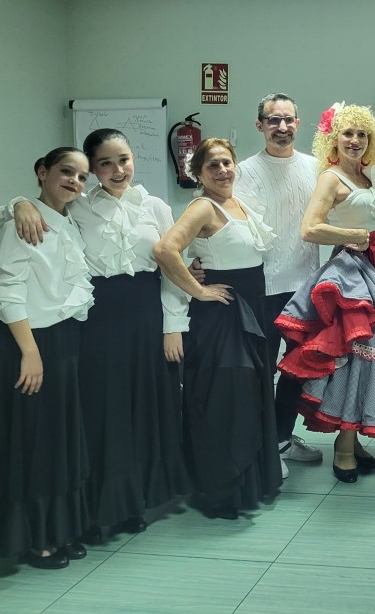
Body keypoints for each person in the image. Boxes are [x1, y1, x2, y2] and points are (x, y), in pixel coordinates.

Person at [0, 129, 190, 540]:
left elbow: (175, 267)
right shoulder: (78, 205)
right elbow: (17, 216)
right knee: (103, 413)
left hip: (148, 318)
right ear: (93, 170)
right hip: (98, 322)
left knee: (144, 408)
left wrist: (173, 326)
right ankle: (101, 508)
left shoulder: (155, 206)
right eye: (105, 163)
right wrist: (18, 203)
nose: (117, 170)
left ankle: (138, 501)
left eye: (124, 159)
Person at [275, 104, 375, 484]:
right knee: (358, 359)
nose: (355, 140)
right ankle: (344, 447)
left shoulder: (367, 176)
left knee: (367, 359)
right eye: (348, 133)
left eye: (363, 134)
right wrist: (354, 237)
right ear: (333, 138)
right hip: (348, 274)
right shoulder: (330, 179)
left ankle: (354, 442)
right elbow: (310, 228)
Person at [0, 148, 95, 569]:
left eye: (82, 176)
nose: (75, 181)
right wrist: (31, 353)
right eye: (66, 172)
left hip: (63, 338)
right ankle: (35, 540)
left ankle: (56, 529)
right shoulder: (25, 223)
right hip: (28, 343)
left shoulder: (68, 220)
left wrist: (15, 202)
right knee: (32, 443)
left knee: (58, 440)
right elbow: (7, 292)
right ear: (42, 172)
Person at [153, 138, 281, 519]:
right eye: (213, 166)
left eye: (227, 163)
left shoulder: (238, 204)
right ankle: (220, 490)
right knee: (225, 401)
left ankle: (247, 484)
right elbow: (164, 250)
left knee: (247, 398)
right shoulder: (202, 207)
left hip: (250, 310)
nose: (223, 171)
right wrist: (199, 291)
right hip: (222, 316)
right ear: (198, 173)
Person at [233, 93, 322, 475]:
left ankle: (281, 437)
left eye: (288, 119)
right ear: (260, 125)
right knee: (261, 369)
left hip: (305, 284)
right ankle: (261, 447)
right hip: (261, 285)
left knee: (298, 368)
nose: (282, 127)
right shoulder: (243, 172)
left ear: (298, 123)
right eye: (273, 120)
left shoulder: (316, 168)